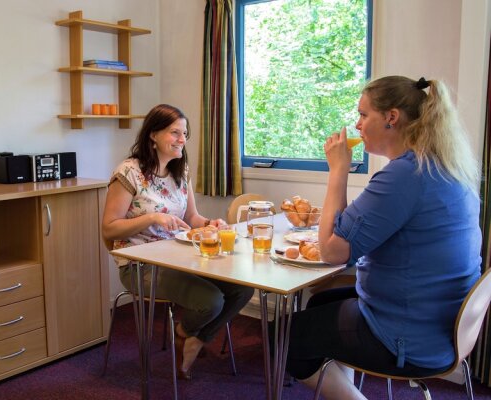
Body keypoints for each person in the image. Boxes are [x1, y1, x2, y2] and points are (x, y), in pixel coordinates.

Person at [285, 76, 482, 399]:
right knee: (320, 301)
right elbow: (350, 230)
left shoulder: (406, 174)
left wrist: (337, 171)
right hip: (441, 319)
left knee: (285, 336)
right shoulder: (442, 166)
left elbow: (332, 251)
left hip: (409, 335)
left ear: (391, 117)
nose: (357, 125)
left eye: (363, 115)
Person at [102, 104, 254, 380]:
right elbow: (110, 228)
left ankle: (191, 336)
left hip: (179, 258)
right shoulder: (128, 173)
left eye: (184, 133)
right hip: (140, 265)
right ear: (153, 135)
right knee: (212, 301)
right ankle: (186, 334)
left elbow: (191, 217)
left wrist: (210, 224)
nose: (183, 139)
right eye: (175, 133)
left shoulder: (179, 173)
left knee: (243, 289)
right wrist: (151, 219)